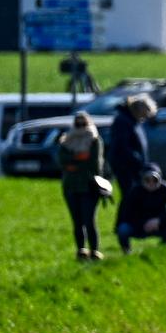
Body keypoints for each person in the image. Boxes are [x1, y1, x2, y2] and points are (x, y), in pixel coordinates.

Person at [59, 112, 108, 261]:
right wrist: (79, 158)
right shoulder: (67, 140)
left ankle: (95, 250)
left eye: (83, 123)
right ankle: (81, 249)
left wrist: (74, 163)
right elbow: (62, 160)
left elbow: (94, 164)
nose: (80, 127)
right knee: (77, 221)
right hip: (71, 187)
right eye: (77, 123)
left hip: (89, 186)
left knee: (89, 220)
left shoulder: (94, 140)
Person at [116, 167, 166, 253]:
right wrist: (144, 223)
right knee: (123, 229)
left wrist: (159, 220)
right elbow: (125, 214)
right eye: (147, 180)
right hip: (138, 226)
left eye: (155, 180)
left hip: (159, 225)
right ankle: (126, 251)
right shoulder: (134, 191)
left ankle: (162, 247)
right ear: (142, 180)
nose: (151, 183)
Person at [107, 96, 153, 189]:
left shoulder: (133, 120)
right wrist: (137, 160)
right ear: (138, 110)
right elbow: (122, 146)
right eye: (144, 114)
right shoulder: (122, 121)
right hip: (126, 167)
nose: (144, 117)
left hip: (134, 167)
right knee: (129, 195)